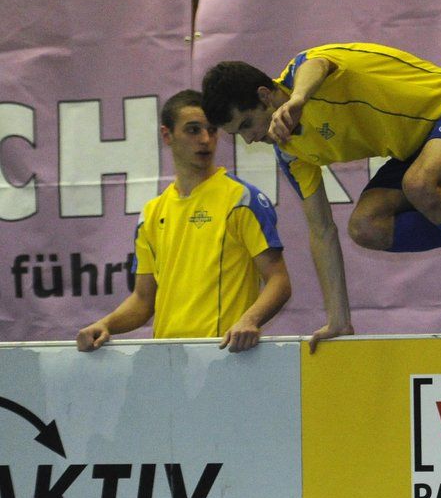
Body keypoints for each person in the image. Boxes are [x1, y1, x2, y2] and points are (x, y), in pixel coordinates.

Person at [200, 43, 441, 352]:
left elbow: (317, 64)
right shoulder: (291, 152)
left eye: (246, 125)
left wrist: (299, 99)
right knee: (366, 227)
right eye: (237, 134)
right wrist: (338, 320)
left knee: (419, 184)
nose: (248, 139)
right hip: (414, 148)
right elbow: (321, 231)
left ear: (264, 96)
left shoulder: (304, 72)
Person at [76, 89, 291, 353]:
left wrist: (250, 319)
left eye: (211, 130)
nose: (205, 139)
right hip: (167, 361)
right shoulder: (151, 213)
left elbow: (279, 281)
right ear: (167, 135)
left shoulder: (242, 200)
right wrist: (105, 324)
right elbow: (143, 300)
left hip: (223, 357)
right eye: (193, 130)